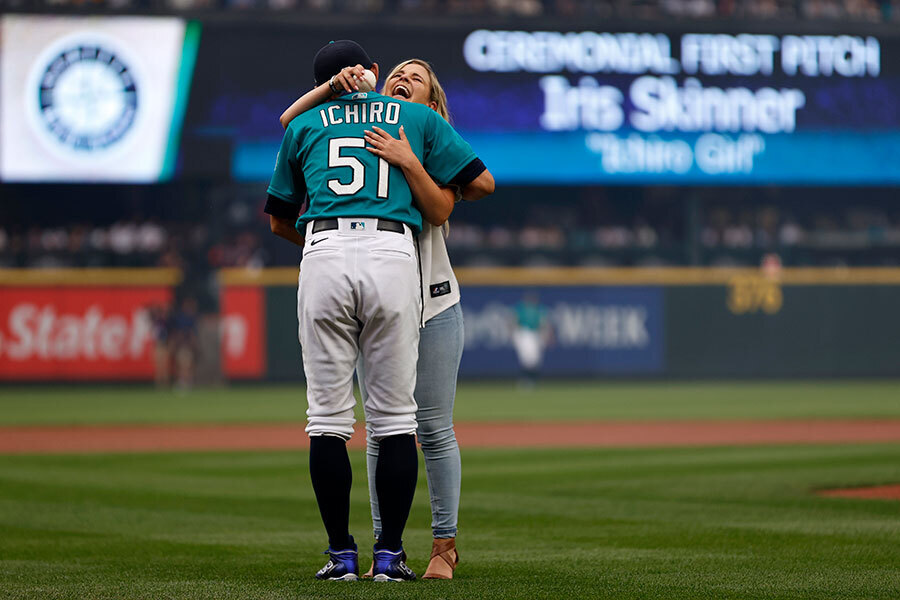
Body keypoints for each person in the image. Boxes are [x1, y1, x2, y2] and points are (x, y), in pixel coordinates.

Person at [265, 40, 492, 583]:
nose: (402, 78)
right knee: (395, 422)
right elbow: (483, 179)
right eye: (394, 71)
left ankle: (363, 552)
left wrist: (327, 244)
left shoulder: (332, 127)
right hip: (394, 263)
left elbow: (286, 149)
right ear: (369, 74)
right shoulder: (412, 119)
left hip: (369, 267)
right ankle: (387, 554)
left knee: (338, 420)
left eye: (415, 75)